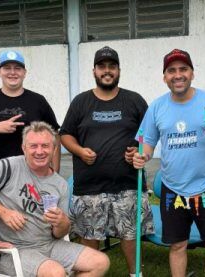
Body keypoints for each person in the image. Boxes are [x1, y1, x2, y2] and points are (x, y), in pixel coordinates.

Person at [133, 49, 205, 277]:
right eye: (171, 71)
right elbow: (147, 143)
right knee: (177, 245)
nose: (178, 75)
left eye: (183, 69)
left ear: (192, 73)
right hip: (174, 189)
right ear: (165, 77)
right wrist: (142, 155)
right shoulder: (157, 107)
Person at [0, 121, 110, 276]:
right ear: (24, 148)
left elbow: (58, 234)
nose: (39, 151)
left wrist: (62, 223)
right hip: (13, 249)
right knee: (55, 272)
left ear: (54, 149)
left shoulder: (60, 184)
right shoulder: (8, 166)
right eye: (33, 146)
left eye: (45, 146)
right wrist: (4, 212)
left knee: (100, 262)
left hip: (49, 244)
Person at [60, 46, 153, 276]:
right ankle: (90, 272)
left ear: (119, 70)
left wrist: (139, 151)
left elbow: (149, 134)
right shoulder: (81, 102)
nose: (107, 71)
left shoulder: (134, 100)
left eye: (112, 66)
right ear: (94, 71)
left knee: (130, 235)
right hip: (90, 185)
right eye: (102, 66)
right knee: (90, 235)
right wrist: (80, 151)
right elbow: (65, 134)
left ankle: (135, 273)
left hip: (128, 183)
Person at [0, 49, 61, 176]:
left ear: (24, 73)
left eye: (17, 68)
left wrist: (55, 172)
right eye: (7, 68)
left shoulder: (38, 101)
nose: (12, 72)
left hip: (32, 175)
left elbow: (55, 135)